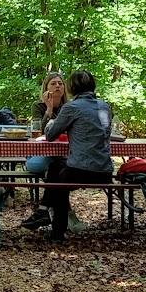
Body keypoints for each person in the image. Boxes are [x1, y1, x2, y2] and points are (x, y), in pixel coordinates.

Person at [40, 69, 113, 243]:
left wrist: (51, 122)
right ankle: (43, 212)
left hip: (80, 170)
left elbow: (50, 135)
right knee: (57, 168)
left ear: (71, 88)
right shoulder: (105, 106)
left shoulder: (71, 107)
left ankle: (56, 230)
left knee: (57, 179)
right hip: (105, 171)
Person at [20, 71, 69, 231]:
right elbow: (39, 132)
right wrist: (48, 109)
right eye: (53, 83)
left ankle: (44, 211)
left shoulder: (69, 107)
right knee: (58, 166)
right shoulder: (38, 106)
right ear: (46, 88)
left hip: (63, 154)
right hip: (41, 154)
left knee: (59, 167)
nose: (57, 86)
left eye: (60, 83)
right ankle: (58, 214)